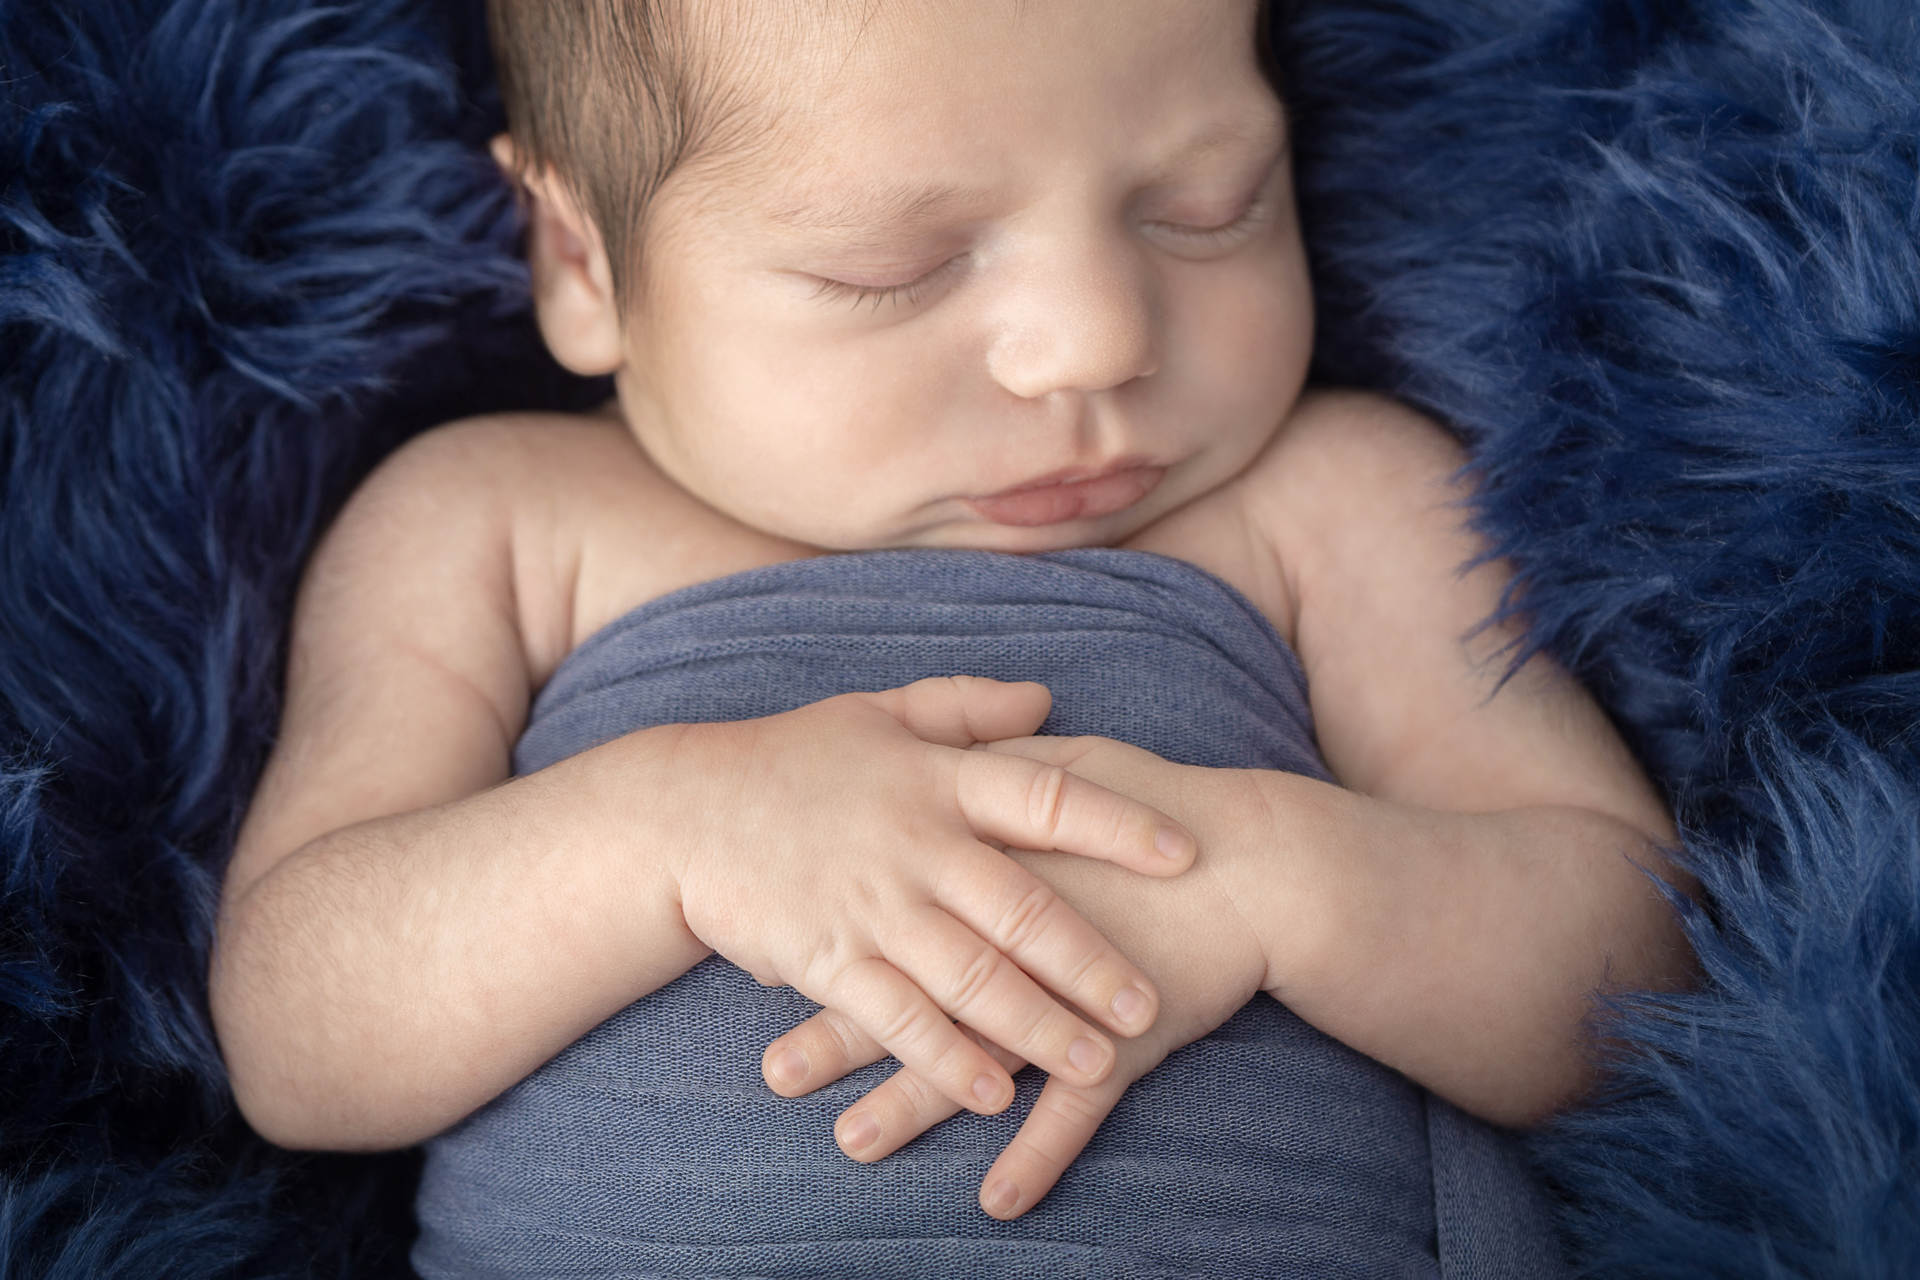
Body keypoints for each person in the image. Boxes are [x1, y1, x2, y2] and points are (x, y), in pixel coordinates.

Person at [209, 0, 1693, 1272]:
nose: (1097, 342)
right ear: (584, 261)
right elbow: (297, 1033)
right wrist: (669, 835)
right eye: (893, 267)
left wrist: (1275, 882)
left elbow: (1636, 976)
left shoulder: (1331, 500)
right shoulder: (500, 521)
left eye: (1209, 203)